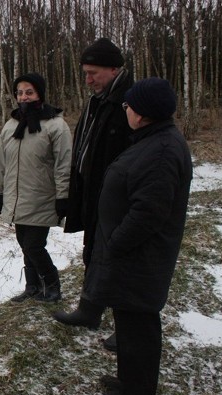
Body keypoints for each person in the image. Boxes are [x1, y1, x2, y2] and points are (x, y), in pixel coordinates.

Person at [85, 77, 192, 395]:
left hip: (139, 256)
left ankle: (137, 393)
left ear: (143, 112)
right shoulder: (154, 140)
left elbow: (149, 211)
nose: (125, 109)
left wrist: (116, 243)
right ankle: (129, 379)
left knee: (139, 325)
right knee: (130, 322)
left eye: (128, 105)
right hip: (134, 256)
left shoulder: (161, 151)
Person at [52, 38, 134, 351]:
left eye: (93, 72)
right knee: (92, 254)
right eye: (85, 72)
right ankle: (89, 311)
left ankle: (127, 327)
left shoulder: (130, 101)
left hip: (117, 198)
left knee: (118, 262)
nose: (88, 79)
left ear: (114, 69)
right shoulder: (97, 99)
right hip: (93, 193)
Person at [0, 73, 72, 303]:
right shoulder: (11, 126)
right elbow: (1, 162)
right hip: (16, 199)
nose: (24, 97)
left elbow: (64, 165)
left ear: (40, 94)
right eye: (20, 93)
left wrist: (64, 196)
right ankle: (33, 287)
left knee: (34, 246)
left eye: (29, 92)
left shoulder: (56, 125)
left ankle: (53, 286)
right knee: (25, 245)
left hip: (42, 198)